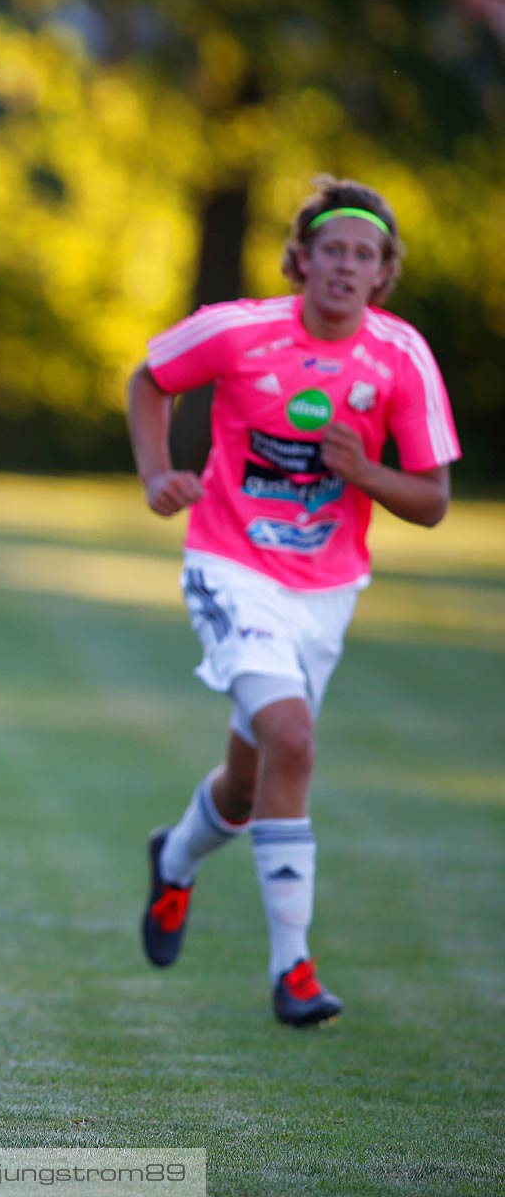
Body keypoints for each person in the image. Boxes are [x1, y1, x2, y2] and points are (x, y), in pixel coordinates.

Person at [125, 175, 460, 1027]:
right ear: (303, 259)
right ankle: (294, 970)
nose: (347, 267)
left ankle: (177, 859)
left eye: (366, 255)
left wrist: (366, 473)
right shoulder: (240, 331)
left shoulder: (400, 357)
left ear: (383, 273)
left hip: (328, 592)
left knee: (248, 785)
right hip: (229, 566)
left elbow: (431, 500)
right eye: (333, 250)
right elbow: (149, 378)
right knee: (294, 739)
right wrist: (160, 472)